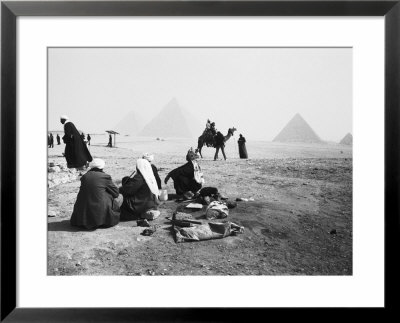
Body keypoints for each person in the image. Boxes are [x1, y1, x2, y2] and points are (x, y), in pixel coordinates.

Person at [70, 158, 122, 230]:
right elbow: (116, 193)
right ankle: (107, 217)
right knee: (120, 197)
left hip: (82, 214)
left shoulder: (85, 176)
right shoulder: (105, 176)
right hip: (98, 212)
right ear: (102, 167)